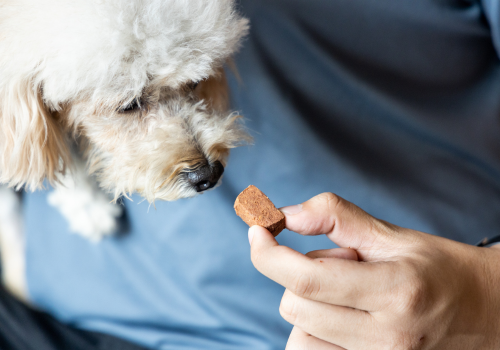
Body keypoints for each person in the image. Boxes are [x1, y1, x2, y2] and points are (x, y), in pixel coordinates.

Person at [2, 0, 500, 349]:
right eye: (131, 105)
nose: (203, 161)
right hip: (47, 307)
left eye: (196, 81)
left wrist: (483, 301)